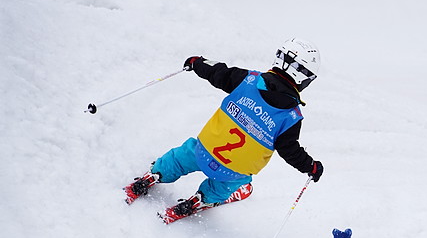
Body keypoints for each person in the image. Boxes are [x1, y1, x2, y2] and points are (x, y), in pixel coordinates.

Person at [125, 37, 324, 223]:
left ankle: (158, 173)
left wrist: (197, 63)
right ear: (304, 78)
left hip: (203, 151)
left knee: (181, 158)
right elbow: (290, 150)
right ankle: (205, 198)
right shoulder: (290, 116)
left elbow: (218, 73)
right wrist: (311, 167)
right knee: (228, 183)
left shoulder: (248, 80)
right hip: (233, 171)